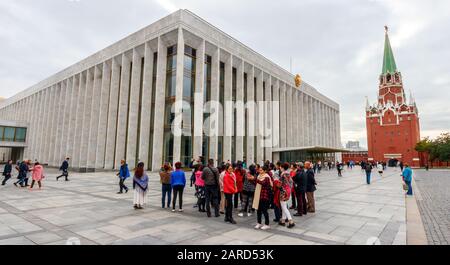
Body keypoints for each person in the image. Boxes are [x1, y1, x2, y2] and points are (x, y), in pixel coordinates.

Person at [254, 165, 272, 230]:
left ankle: (267, 224)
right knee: (258, 210)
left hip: (264, 196)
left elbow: (263, 183)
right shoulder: (259, 176)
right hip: (258, 195)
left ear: (265, 171)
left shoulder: (266, 177)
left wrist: (255, 179)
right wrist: (252, 180)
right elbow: (256, 184)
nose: (259, 171)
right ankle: (259, 223)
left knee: (264, 210)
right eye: (259, 170)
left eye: (261, 170)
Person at [278, 163, 295, 228]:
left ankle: (291, 221)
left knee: (284, 207)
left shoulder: (282, 174)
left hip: (283, 191)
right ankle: (283, 220)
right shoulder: (288, 174)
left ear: (282, 167)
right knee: (284, 206)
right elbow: (291, 182)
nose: (280, 168)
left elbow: (279, 184)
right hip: (288, 190)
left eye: (280, 167)